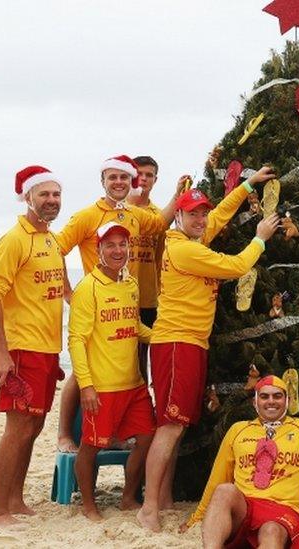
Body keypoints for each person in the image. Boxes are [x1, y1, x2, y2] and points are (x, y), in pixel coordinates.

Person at [137, 167, 282, 531]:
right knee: (169, 427)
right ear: (179, 216)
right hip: (176, 343)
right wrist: (261, 237)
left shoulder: (194, 238)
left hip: (192, 342)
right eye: (193, 214)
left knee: (177, 425)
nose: (202, 219)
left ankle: (164, 498)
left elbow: (219, 216)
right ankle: (149, 507)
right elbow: (235, 266)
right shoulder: (184, 249)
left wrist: (249, 184)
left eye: (203, 213)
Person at [53, 155, 184, 454]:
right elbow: (56, 248)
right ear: (103, 181)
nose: (119, 182)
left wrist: (178, 194)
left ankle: (116, 433)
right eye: (112, 177)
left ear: (132, 182)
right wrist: (68, 293)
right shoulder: (87, 215)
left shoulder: (133, 215)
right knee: (82, 372)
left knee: (131, 372)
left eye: (124, 178)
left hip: (127, 303)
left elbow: (160, 223)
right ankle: (64, 435)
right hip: (95, 303)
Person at [0, 165, 66, 526]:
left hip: (47, 350)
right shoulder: (13, 239)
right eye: (44, 194)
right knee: (17, 429)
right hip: (21, 349)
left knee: (34, 428)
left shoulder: (51, 240)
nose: (51, 200)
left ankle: (15, 499)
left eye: (56, 194)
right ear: (28, 196)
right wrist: (1, 351)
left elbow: (65, 292)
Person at [181, 375, 299, 548]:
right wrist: (195, 520)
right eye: (264, 396)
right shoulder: (238, 430)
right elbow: (218, 478)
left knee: (271, 530)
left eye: (277, 396)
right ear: (255, 403)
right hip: (245, 506)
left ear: (287, 401)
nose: (271, 401)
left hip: (284, 510)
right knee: (224, 490)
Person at [68, 222, 156, 521]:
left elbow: (133, 327)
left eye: (122, 245)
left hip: (133, 384)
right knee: (90, 447)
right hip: (102, 387)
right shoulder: (87, 289)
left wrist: (164, 336)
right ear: (99, 251)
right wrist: (86, 385)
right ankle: (89, 505)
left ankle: (128, 498)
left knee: (147, 438)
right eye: (110, 245)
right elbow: (76, 340)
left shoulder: (130, 284)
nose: (118, 250)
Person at [127, 155, 165, 381]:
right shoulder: (117, 209)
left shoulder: (158, 216)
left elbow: (160, 259)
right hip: (120, 297)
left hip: (149, 298)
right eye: (138, 174)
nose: (143, 178)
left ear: (155, 180)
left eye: (148, 175)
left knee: (143, 360)